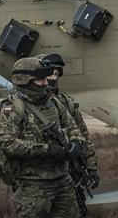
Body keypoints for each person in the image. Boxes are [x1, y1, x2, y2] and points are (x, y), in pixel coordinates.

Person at [0, 57, 86, 218]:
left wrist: (76, 143)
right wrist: (45, 150)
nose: (46, 83)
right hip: (32, 183)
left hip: (62, 180)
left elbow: (73, 127)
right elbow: (8, 144)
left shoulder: (54, 102)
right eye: (40, 80)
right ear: (25, 80)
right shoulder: (12, 108)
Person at [37, 53, 99, 189]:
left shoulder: (66, 101)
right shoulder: (32, 104)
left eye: (56, 73)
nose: (53, 77)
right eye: (49, 73)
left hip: (71, 168)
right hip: (42, 174)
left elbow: (83, 133)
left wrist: (91, 165)